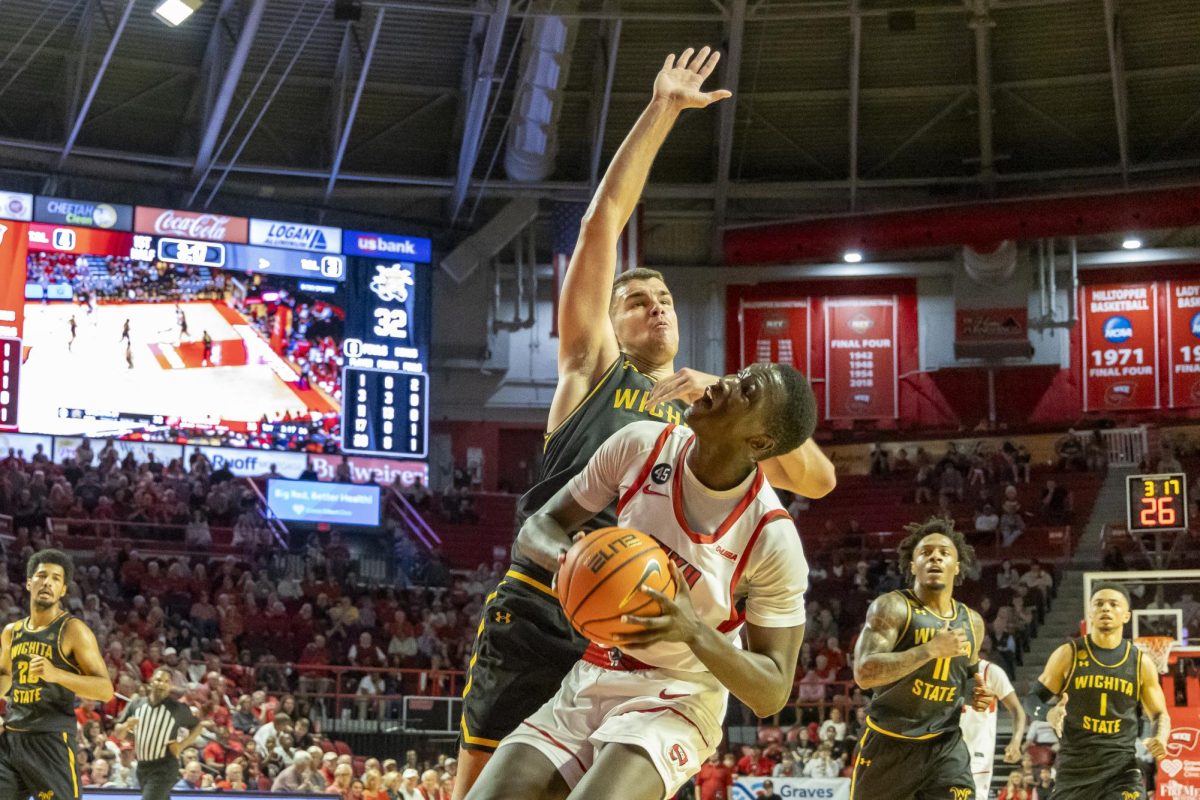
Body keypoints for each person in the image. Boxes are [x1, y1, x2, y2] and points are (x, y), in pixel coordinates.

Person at [453, 44, 835, 800]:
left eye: (664, 298)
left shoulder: (716, 409)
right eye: (636, 300)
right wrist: (662, 109)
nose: (655, 304)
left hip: (658, 644)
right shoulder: (594, 367)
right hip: (547, 604)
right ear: (613, 324)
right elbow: (603, 224)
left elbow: (813, 476)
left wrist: (724, 391)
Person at [465, 361, 814, 800]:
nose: (724, 383)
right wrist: (572, 560)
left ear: (759, 441)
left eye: (745, 391)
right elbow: (539, 524)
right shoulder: (640, 444)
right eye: (736, 374)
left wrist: (693, 630)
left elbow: (772, 691)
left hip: (680, 694)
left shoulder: (771, 537)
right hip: (596, 669)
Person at [850, 518, 992, 800]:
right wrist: (929, 650)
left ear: (958, 566)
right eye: (926, 553)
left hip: (945, 746)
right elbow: (864, 674)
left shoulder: (972, 621)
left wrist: (977, 693)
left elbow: (968, 677)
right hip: (890, 744)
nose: (935, 557)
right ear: (913, 566)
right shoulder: (893, 607)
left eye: (944, 552)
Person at [1034, 584, 1170, 800]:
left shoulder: (1140, 663)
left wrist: (1160, 736)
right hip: (1075, 769)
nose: (1105, 608)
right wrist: (1047, 714)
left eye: (1113, 604)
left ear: (1126, 616)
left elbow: (1160, 714)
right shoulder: (1068, 654)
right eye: (1099, 604)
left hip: (1121, 771)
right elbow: (1032, 700)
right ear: (1090, 613)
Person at [0, 549, 114, 800]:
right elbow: (5, 676)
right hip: (11, 739)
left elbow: (105, 690)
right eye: (42, 576)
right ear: (29, 582)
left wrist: (57, 675)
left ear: (63, 590)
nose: (47, 583)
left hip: (51, 742)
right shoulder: (11, 631)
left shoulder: (73, 630)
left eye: (55, 578)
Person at [114, 667, 212, 800]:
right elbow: (118, 733)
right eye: (159, 680)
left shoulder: (177, 708)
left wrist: (181, 746)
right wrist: (126, 726)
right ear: (151, 681)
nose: (162, 684)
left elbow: (198, 726)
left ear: (170, 686)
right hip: (142, 767)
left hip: (165, 767)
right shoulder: (136, 704)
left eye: (167, 681)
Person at [960, 658, 1027, 800]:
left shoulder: (991, 671)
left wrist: (1015, 742)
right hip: (946, 749)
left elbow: (1017, 710)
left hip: (978, 753)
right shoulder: (943, 668)